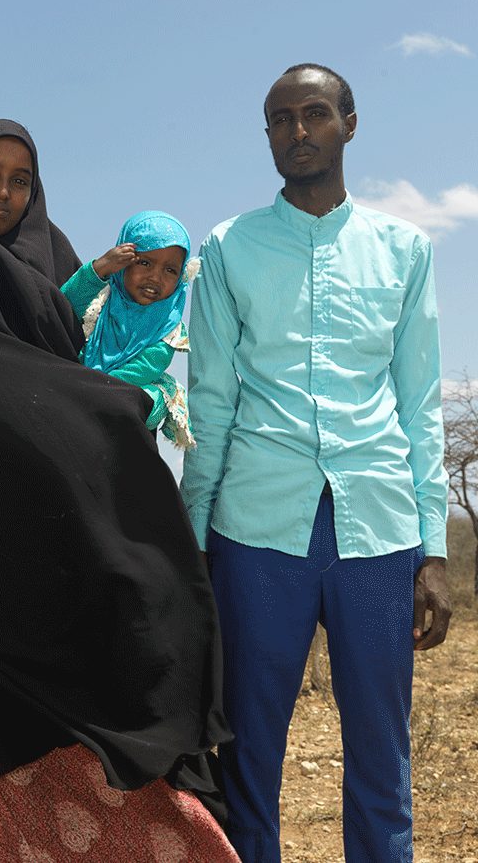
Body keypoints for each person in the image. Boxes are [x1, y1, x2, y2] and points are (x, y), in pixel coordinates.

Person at [0, 119, 237, 862]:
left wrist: (121, 403)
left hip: (78, 516)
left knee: (116, 657)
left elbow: (91, 349)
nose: (3, 190)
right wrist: (108, 406)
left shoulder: (59, 261)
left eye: (20, 178)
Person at [180, 64, 452, 862]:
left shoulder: (403, 249)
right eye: (279, 119)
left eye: (313, 114)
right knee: (248, 749)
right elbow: (213, 400)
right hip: (257, 531)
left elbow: (418, 401)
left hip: (379, 528)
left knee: (382, 748)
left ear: (350, 123)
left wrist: (433, 546)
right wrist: (194, 534)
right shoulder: (228, 248)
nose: (296, 131)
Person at [60, 210, 198, 448]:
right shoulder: (102, 298)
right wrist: (100, 268)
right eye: (144, 263)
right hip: (80, 387)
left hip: (122, 393)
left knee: (148, 400)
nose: (155, 277)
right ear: (122, 263)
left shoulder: (167, 325)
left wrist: (92, 388)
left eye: (170, 270)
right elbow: (63, 305)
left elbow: (145, 368)